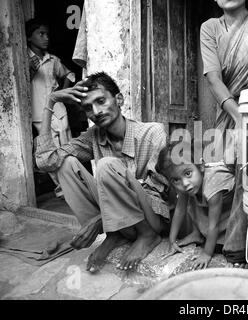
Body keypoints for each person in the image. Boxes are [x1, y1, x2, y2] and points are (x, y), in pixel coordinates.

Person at [35, 72, 170, 273]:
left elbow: (158, 192)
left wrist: (100, 219)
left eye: (100, 101)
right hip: (118, 220)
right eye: (88, 107)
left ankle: (146, 236)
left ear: (119, 99)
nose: (96, 111)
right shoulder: (93, 137)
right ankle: (114, 234)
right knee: (66, 165)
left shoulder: (153, 133)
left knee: (107, 166)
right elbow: (46, 161)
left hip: (152, 219)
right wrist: (51, 101)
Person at [200, 0, 248, 265]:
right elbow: (213, 78)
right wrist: (237, 115)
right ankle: (208, 242)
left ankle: (239, 250)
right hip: (228, 108)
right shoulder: (210, 28)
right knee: (213, 181)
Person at [156, 140, 235, 269]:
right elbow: (180, 210)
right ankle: (198, 234)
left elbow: (213, 225)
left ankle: (207, 241)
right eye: (176, 180)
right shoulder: (188, 184)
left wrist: (206, 254)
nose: (185, 183)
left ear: (201, 166)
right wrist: (172, 240)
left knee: (227, 244)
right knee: (188, 198)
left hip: (230, 213)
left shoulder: (213, 183)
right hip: (211, 209)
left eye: (188, 173)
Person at [26, 18, 75, 198]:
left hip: (59, 110)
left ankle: (72, 184)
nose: (46, 38)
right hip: (40, 113)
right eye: (41, 34)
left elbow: (69, 73)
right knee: (49, 150)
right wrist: (30, 70)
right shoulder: (23, 59)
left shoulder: (53, 59)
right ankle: (63, 188)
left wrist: (63, 91)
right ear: (30, 37)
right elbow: (22, 84)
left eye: (47, 34)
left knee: (67, 147)